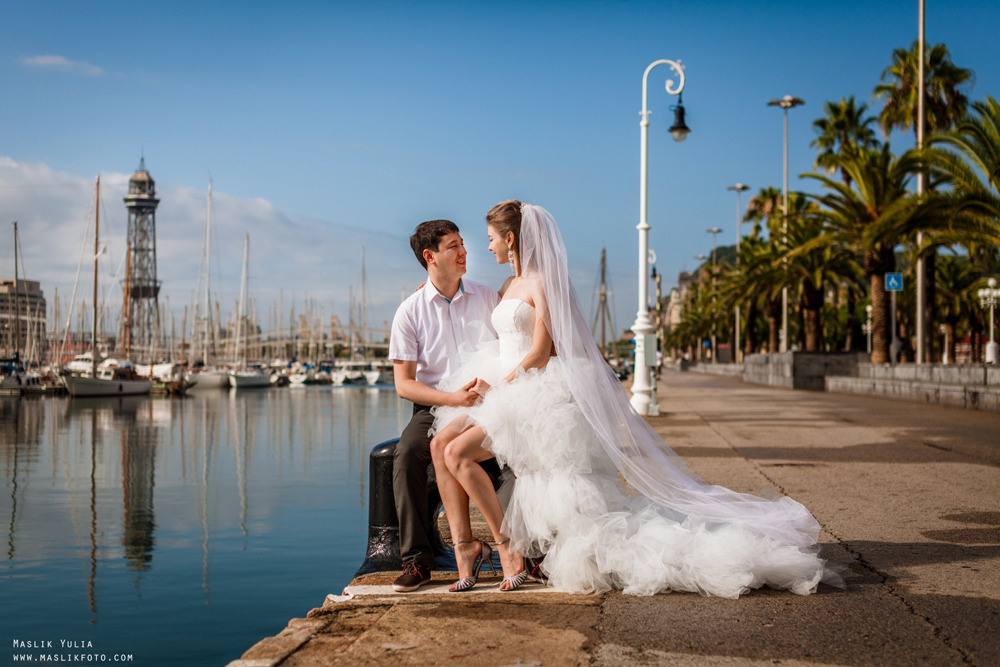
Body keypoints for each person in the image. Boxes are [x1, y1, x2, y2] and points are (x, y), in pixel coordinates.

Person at [429, 200, 841, 597]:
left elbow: (539, 353)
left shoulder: (544, 283)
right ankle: (467, 547)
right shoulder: (507, 285)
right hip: (501, 381)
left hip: (527, 389)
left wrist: (500, 386)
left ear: (511, 239)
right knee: (440, 444)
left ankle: (506, 547)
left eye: (491, 238)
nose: (488, 246)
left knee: (459, 453)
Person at [387, 219, 499, 592]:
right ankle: (418, 561)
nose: (464, 252)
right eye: (453, 246)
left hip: (488, 400)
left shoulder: (488, 297)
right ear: (430, 256)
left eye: (462, 244)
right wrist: (452, 399)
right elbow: (404, 385)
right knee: (407, 455)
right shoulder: (409, 311)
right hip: (435, 405)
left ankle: (528, 551)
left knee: (518, 448)